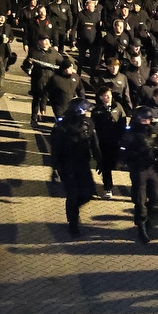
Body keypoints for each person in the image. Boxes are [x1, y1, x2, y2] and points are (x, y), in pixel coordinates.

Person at [49, 100, 100, 237]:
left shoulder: (88, 123)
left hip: (83, 163)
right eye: (85, 110)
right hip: (67, 165)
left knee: (88, 192)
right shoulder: (61, 126)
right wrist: (55, 168)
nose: (87, 113)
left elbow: (94, 142)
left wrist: (99, 160)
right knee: (72, 195)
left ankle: (73, 209)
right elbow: (55, 149)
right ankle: (73, 224)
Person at [121, 107, 158, 243]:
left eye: (148, 119)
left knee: (156, 197)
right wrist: (136, 154)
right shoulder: (131, 133)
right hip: (139, 170)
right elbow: (124, 153)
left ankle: (148, 218)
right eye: (143, 120)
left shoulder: (154, 132)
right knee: (140, 201)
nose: (146, 122)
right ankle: (141, 227)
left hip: (152, 168)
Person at [93, 85, 127, 199]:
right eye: (106, 96)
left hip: (116, 141)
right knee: (106, 166)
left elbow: (123, 120)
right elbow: (94, 126)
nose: (108, 98)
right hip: (103, 142)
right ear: (101, 97)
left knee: (114, 163)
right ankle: (108, 187)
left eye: (109, 96)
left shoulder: (118, 107)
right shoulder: (97, 110)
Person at [22, 34, 62, 127]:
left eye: (47, 40)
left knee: (54, 101)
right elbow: (25, 66)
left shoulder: (54, 53)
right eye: (44, 40)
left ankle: (58, 119)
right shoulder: (34, 52)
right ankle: (34, 119)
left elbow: (62, 63)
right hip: (38, 80)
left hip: (51, 81)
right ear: (39, 42)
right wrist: (29, 64)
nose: (46, 42)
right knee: (36, 100)